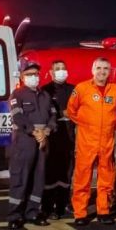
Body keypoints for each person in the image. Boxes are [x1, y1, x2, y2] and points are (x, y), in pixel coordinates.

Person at [66, 57, 116, 226]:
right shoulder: (81, 88)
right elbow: (71, 110)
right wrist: (86, 124)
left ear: (109, 71)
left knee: (106, 178)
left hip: (106, 142)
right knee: (83, 178)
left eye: (105, 68)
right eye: (99, 68)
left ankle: (103, 211)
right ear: (92, 70)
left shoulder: (115, 90)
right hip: (87, 142)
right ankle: (80, 213)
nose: (102, 72)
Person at [7, 60, 58, 229]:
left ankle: (33, 212)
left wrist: (47, 131)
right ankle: (15, 215)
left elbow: (53, 116)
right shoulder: (17, 94)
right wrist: (35, 132)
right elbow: (18, 117)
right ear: (22, 76)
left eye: (36, 74)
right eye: (29, 74)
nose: (34, 77)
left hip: (43, 141)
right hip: (24, 141)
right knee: (20, 177)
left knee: (39, 178)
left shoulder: (45, 95)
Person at [41, 60, 75, 220]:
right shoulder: (45, 90)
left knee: (66, 172)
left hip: (69, 138)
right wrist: (62, 113)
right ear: (51, 72)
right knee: (50, 172)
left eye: (63, 68)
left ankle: (62, 206)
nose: (61, 71)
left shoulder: (74, 90)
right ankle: (47, 206)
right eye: (57, 69)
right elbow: (44, 113)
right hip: (52, 138)